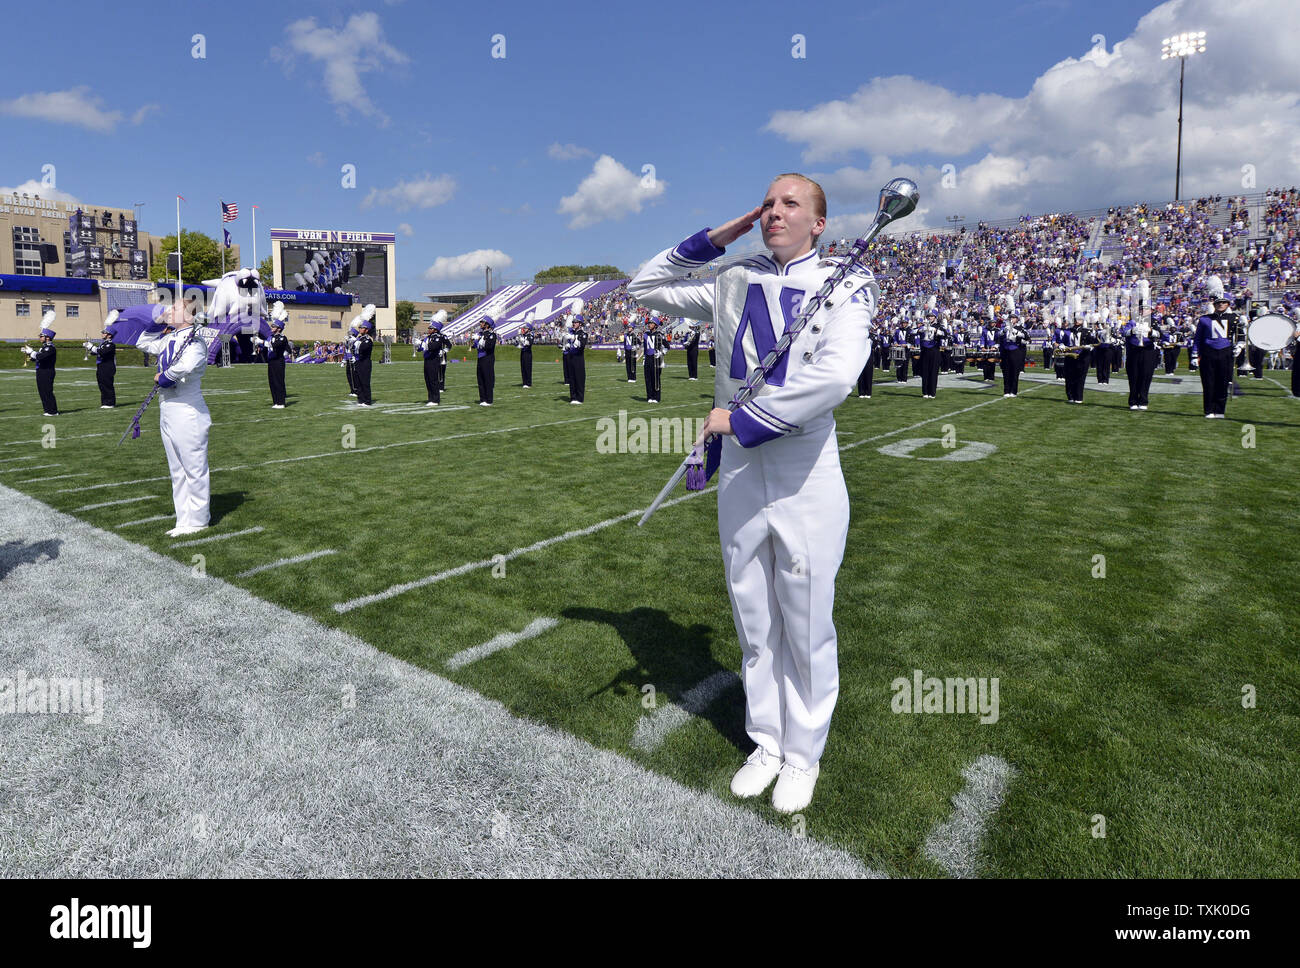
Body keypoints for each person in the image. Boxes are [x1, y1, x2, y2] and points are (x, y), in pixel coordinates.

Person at [628, 172, 877, 814]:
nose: (775, 211)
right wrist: (719, 237)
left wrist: (740, 420)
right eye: (767, 203)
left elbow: (835, 378)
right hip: (740, 466)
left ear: (819, 223)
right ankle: (766, 740)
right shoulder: (734, 278)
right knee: (752, 610)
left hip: (803, 466)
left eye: (790, 203)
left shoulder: (848, 283)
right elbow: (645, 285)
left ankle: (804, 754)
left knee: (806, 613)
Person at [136, 302, 211, 537]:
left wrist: (164, 377)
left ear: (188, 316)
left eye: (175, 308)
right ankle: (183, 519)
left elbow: (188, 364)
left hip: (187, 409)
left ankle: (199, 520)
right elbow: (143, 343)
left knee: (194, 466)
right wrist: (156, 322)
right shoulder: (170, 338)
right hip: (167, 408)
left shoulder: (195, 340)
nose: (169, 310)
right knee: (177, 469)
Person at [1194, 297, 1235, 418]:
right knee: (1208, 382)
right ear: (1214, 304)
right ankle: (1209, 410)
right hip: (1208, 353)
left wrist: (1240, 345)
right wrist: (1195, 354)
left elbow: (1239, 335)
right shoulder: (1204, 319)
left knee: (1223, 383)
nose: (1221, 305)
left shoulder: (1234, 318)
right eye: (1218, 303)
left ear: (1228, 304)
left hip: (1226, 353)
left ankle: (1220, 410)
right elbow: (1198, 338)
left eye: (1224, 302)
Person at [21, 313, 59, 415]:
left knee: (47, 391)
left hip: (47, 372)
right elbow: (37, 358)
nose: (39, 337)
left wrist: (31, 352)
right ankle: (47, 410)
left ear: (47, 337)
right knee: (42, 392)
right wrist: (29, 354)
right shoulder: (44, 347)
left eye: (41, 336)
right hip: (41, 371)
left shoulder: (50, 348)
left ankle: (53, 411)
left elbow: (40, 357)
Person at [1122, 317, 1157, 411]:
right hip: (1134, 350)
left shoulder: (1153, 321)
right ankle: (1133, 401)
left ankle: (1143, 401)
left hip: (1148, 351)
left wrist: (1150, 330)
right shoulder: (1132, 322)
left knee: (1146, 376)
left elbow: (1159, 334)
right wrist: (1132, 330)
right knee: (1133, 376)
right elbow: (1123, 333)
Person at [85, 310, 118, 408]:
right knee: (102, 385)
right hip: (101, 366)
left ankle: (110, 403)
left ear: (109, 335)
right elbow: (97, 351)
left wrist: (91, 346)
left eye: (104, 332)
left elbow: (101, 352)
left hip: (107, 367)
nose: (102, 334)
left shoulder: (110, 344)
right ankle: (105, 402)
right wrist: (90, 350)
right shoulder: (103, 344)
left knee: (107, 385)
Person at [262, 303, 291, 408]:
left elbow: (275, 345)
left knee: (278, 381)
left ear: (279, 328)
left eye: (273, 326)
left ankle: (281, 402)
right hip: (271, 361)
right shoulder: (270, 336)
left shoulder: (282, 338)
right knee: (272, 382)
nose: (271, 327)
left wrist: (261, 342)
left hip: (278, 361)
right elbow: (267, 346)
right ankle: (276, 401)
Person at [420, 320, 450, 405]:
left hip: (434, 359)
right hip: (427, 359)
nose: (428, 329)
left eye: (431, 328)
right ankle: (431, 398)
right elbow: (422, 348)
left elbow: (434, 346)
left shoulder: (438, 337)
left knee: (434, 379)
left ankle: (435, 399)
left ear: (435, 329)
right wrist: (418, 345)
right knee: (428, 379)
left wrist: (444, 351)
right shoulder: (428, 337)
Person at [564, 316, 588, 403]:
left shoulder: (583, 334)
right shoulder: (571, 333)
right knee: (572, 378)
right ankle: (573, 397)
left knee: (579, 378)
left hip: (578, 358)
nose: (574, 323)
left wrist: (573, 338)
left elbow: (582, 346)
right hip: (571, 357)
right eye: (573, 322)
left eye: (576, 322)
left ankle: (579, 398)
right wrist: (565, 346)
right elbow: (567, 346)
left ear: (580, 324)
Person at [475, 317, 498, 406]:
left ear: (487, 325)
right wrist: (475, 342)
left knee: (487, 378)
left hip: (488, 358)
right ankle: (482, 399)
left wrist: (482, 342)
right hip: (480, 358)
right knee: (480, 378)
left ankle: (489, 400)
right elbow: (476, 346)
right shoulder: (481, 334)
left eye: (482, 322)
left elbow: (489, 346)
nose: (480, 324)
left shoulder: (492, 335)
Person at [353, 318, 374, 407]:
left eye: (362, 328)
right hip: (358, 362)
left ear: (366, 330)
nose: (360, 329)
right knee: (358, 382)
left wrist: (357, 344)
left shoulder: (368, 339)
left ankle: (367, 401)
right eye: (360, 328)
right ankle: (361, 399)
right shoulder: (359, 339)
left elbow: (364, 349)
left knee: (365, 382)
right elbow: (353, 349)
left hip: (365, 363)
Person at [643, 318, 663, 403]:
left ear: (655, 325)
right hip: (648, 358)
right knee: (648, 378)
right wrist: (644, 357)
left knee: (655, 378)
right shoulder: (646, 334)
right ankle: (649, 396)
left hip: (656, 359)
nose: (649, 324)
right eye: (649, 323)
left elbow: (667, 346)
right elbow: (644, 347)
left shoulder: (659, 334)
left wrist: (661, 353)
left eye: (651, 323)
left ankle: (656, 397)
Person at [518, 323, 534, 388]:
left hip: (528, 353)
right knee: (523, 367)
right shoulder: (523, 335)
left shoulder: (530, 335)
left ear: (529, 329)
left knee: (528, 368)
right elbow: (519, 343)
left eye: (526, 328)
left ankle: (528, 383)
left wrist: (523, 340)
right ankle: (524, 382)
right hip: (523, 352)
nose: (524, 329)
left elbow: (529, 343)